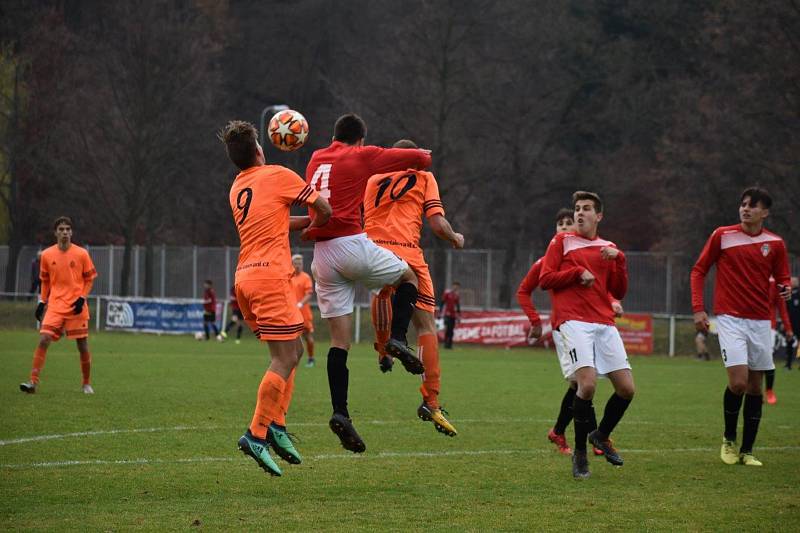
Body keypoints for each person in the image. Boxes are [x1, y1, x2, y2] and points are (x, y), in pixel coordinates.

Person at [304, 113, 433, 453]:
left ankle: (341, 412)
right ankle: (396, 338)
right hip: (350, 243)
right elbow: (420, 158)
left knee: (338, 342)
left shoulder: (316, 158)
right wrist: (421, 153)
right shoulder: (361, 155)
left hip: (322, 257)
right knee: (409, 276)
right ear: (360, 140)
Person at [219, 120, 332, 477]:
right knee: (284, 358)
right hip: (270, 276)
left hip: (245, 279)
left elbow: (277, 222)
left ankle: (277, 425)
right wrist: (318, 227)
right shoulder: (278, 174)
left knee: (292, 352)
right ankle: (255, 434)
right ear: (259, 150)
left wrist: (301, 225)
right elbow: (323, 209)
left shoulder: (238, 185)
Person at [364, 139, 465, 437]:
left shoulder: (372, 179)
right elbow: (436, 224)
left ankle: (384, 350)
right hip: (408, 252)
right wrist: (455, 237)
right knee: (426, 326)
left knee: (382, 293)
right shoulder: (424, 177)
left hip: (372, 250)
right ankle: (431, 400)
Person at [691, 187, 791, 467]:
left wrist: (784, 289)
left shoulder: (776, 243)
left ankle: (747, 450)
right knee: (738, 382)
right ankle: (729, 440)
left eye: (752, 206)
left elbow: (782, 277)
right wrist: (699, 308)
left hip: (760, 322)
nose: (745, 209)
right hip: (730, 319)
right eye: (743, 204)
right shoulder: (722, 235)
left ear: (765, 212)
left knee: (755, 387)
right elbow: (699, 270)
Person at [539, 191, 633, 479]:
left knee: (627, 389)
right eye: (578, 208)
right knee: (587, 385)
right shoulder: (561, 241)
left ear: (598, 216)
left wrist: (620, 259)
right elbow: (545, 279)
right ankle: (580, 453)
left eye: (586, 209)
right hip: (573, 321)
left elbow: (618, 290)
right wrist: (576, 272)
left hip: (603, 322)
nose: (579, 213)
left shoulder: (609, 247)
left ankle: (601, 435)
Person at [517, 208, 623, 457]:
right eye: (560, 224)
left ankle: (564, 432)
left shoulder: (582, 256)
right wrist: (535, 321)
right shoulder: (546, 262)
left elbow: (599, 286)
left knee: (584, 382)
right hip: (564, 327)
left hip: (589, 324)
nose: (565, 227)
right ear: (555, 231)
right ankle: (587, 434)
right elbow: (524, 291)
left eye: (569, 223)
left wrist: (612, 301)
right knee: (582, 382)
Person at [20, 217, 97, 394]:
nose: (65, 232)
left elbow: (89, 279)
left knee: (82, 344)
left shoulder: (81, 254)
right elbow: (45, 281)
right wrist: (42, 301)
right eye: (61, 229)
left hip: (76, 306)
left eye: (68, 229)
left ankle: (86, 383)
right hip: (55, 305)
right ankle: (32, 382)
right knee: (44, 339)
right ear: (55, 232)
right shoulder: (47, 255)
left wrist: (82, 298)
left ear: (72, 232)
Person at [763, 278, 794, 404]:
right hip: (747, 324)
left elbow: (782, 308)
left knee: (766, 359)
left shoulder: (776, 284)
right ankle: (755, 391)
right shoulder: (750, 276)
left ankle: (769, 390)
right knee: (750, 361)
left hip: (768, 326)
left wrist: (788, 329)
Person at [290, 254, 316, 368]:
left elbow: (309, 293)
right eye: (296, 263)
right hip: (290, 313)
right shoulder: (288, 277)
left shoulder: (305, 277)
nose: (298, 266)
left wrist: (300, 304)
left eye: (300, 264)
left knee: (308, 337)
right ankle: (286, 359)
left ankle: (311, 358)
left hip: (304, 313)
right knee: (288, 337)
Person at [439, 282, 461, 349]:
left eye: (457, 286)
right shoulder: (447, 293)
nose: (455, 287)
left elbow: (457, 306)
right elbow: (442, 303)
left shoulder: (456, 295)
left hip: (453, 315)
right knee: (447, 329)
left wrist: (459, 315)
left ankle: (450, 345)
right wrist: (440, 312)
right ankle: (445, 344)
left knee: (451, 330)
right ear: (452, 286)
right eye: (455, 286)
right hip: (447, 314)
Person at [786, 276, 800, 369]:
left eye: (794, 281)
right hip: (789, 322)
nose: (792, 282)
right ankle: (788, 364)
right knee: (789, 342)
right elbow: (784, 308)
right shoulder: (787, 293)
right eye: (791, 281)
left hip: (799, 322)